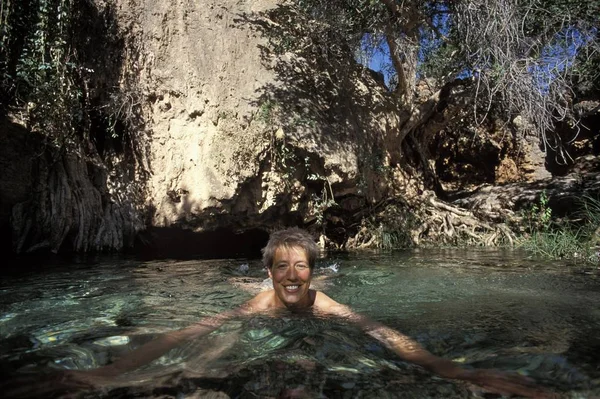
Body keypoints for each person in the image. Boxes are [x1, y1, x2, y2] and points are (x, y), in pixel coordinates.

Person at [52, 228, 555, 398]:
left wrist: (446, 369)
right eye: (282, 267)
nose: (292, 276)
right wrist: (112, 372)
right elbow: (194, 329)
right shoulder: (261, 301)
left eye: (301, 268)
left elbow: (378, 331)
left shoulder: (324, 301)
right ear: (270, 272)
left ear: (310, 272)